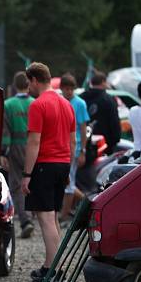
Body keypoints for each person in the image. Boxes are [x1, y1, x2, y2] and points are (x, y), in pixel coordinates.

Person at [21, 62, 75, 282]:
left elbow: (34, 141)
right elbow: (72, 141)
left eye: (29, 83)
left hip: (44, 164)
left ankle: (55, 270)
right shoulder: (66, 103)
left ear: (34, 80)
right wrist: (68, 167)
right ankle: (51, 266)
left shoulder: (38, 105)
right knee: (52, 217)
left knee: (45, 218)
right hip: (62, 164)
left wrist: (26, 174)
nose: (28, 88)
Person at [0, 71, 35, 238]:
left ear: (14, 86)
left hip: (15, 150)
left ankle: (25, 221)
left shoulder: (8, 105)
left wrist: (4, 153)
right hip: (34, 149)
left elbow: (5, 131)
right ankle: (34, 217)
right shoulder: (35, 103)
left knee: (16, 186)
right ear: (28, 85)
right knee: (32, 184)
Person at [58, 74, 90, 222]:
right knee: (67, 181)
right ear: (62, 89)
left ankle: (64, 216)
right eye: (66, 89)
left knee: (69, 183)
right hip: (60, 147)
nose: (69, 92)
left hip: (74, 147)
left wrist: (83, 150)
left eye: (71, 89)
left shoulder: (80, 103)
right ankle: (87, 203)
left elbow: (83, 129)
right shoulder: (59, 102)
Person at [80, 71, 120, 156]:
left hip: (83, 145)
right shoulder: (109, 100)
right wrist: (116, 139)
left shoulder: (80, 98)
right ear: (103, 82)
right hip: (105, 146)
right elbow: (114, 122)